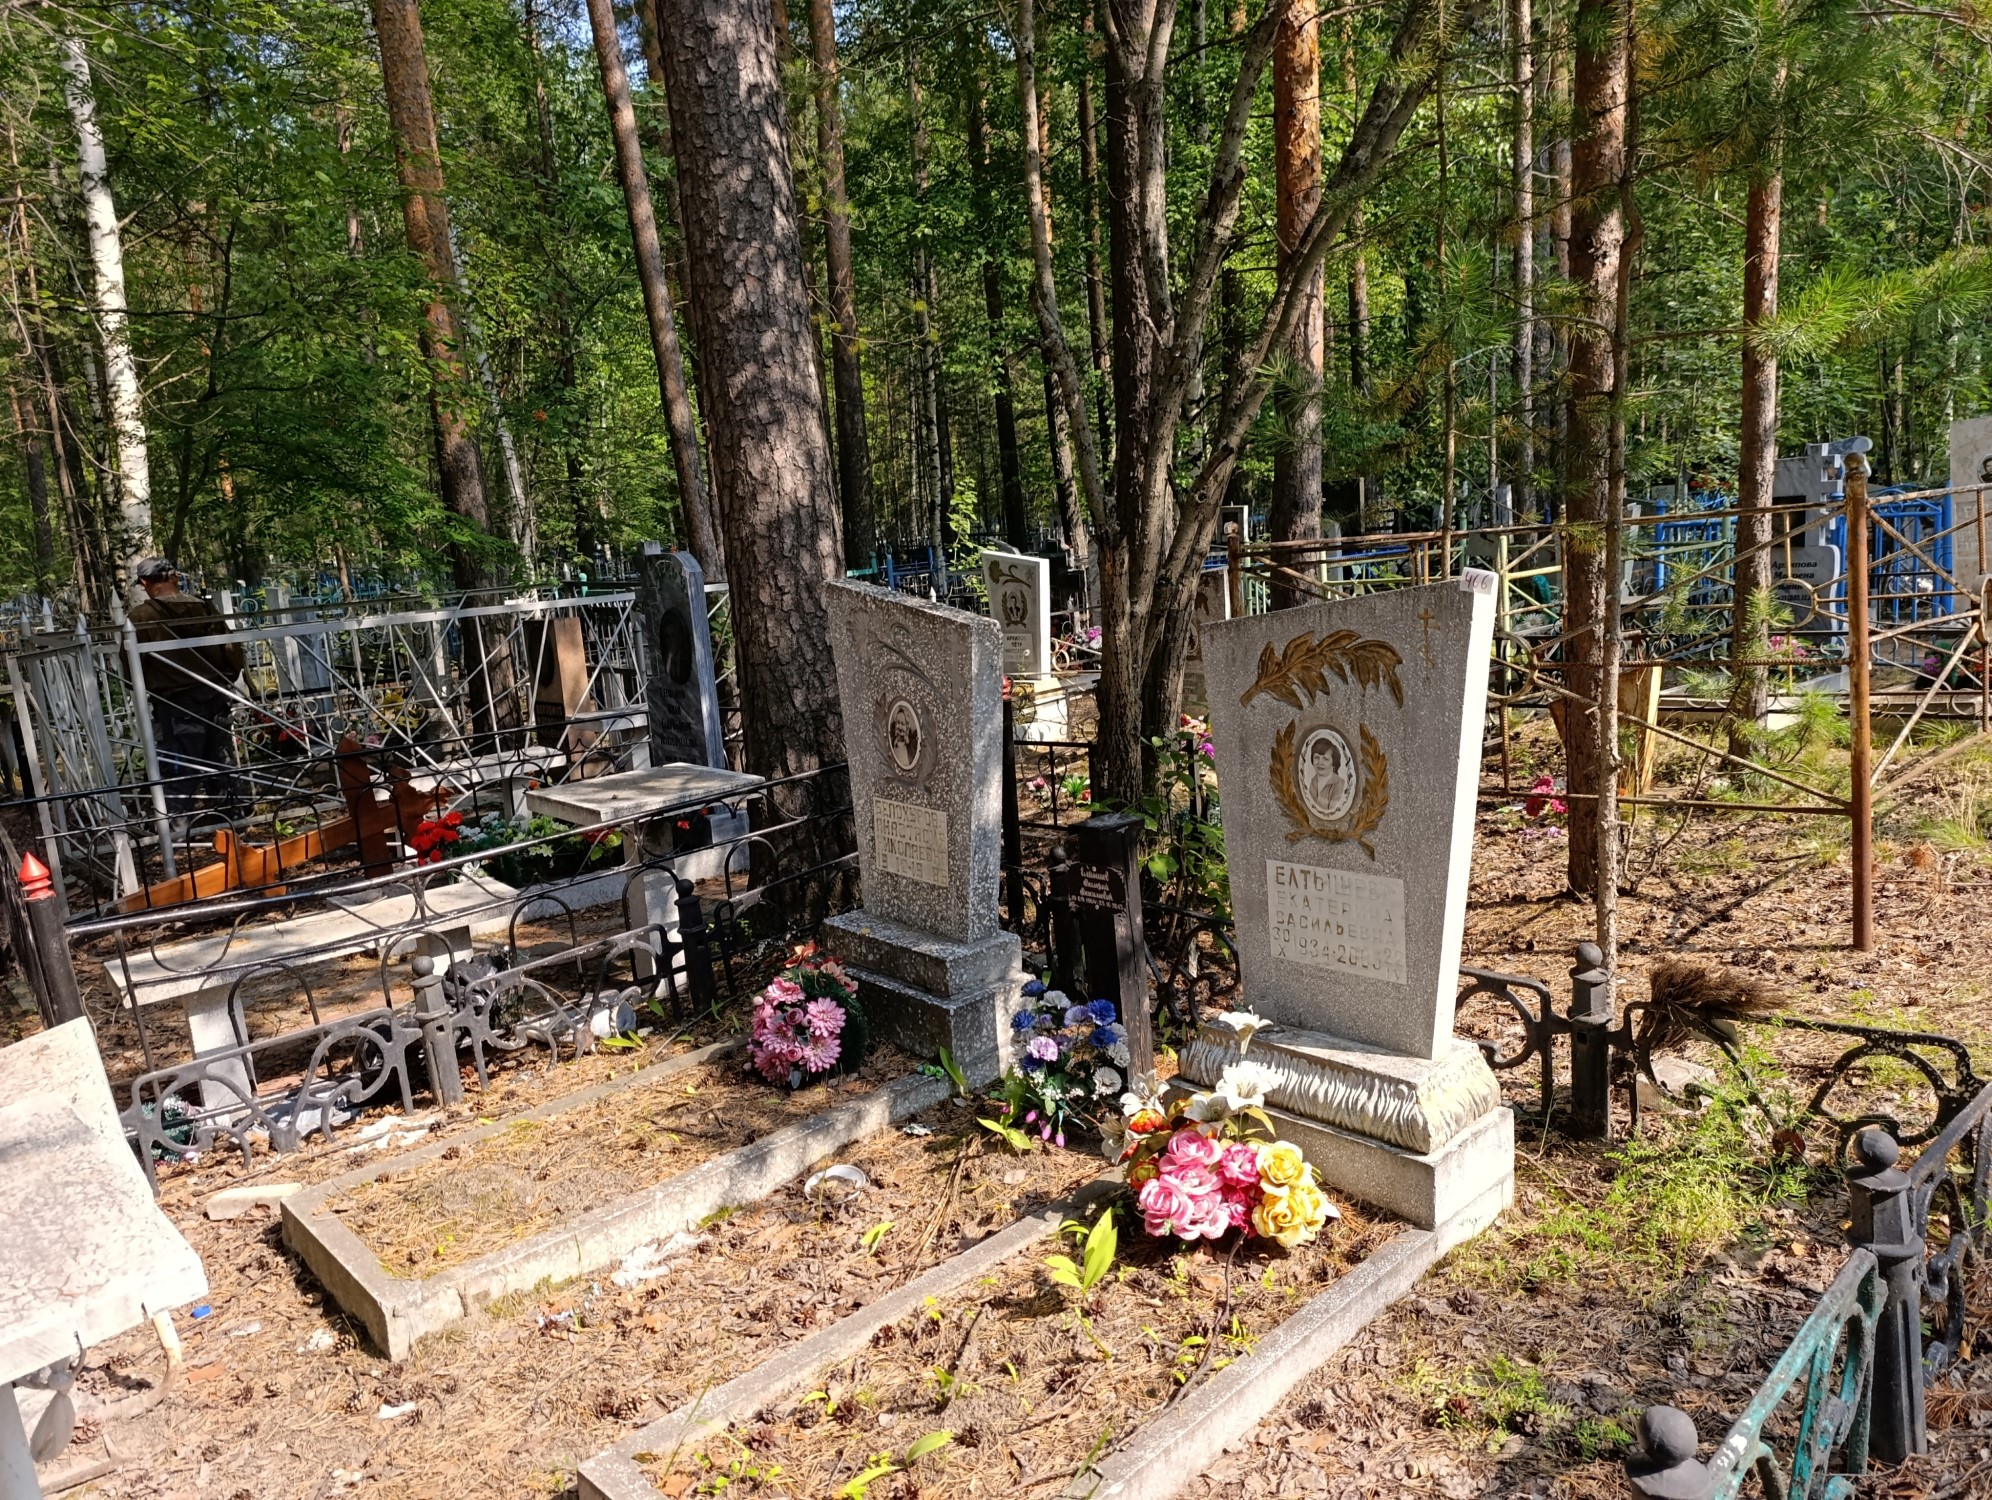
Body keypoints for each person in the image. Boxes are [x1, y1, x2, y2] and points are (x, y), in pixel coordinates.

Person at [128, 557, 246, 820]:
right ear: (173, 578)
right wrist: (223, 678)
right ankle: (231, 821)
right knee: (220, 762)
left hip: (175, 704)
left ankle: (178, 829)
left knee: (179, 769)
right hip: (215, 697)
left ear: (145, 582)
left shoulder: (141, 617)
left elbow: (131, 669)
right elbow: (232, 652)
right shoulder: (205, 609)